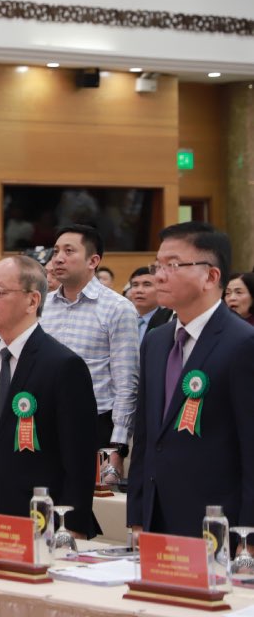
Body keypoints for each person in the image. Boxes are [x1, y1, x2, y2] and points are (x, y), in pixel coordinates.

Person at [128, 223, 254, 537]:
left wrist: (249, 535)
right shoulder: (156, 341)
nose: (159, 275)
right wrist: (138, 513)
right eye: (159, 265)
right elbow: (146, 435)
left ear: (211, 276)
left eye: (173, 265)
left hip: (218, 522)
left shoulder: (243, 343)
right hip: (158, 517)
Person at [0, 256, 100, 537]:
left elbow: (78, 459)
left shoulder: (63, 364)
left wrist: (71, 526)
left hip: (42, 520)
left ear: (32, 301)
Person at [41, 224, 139, 476]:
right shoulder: (43, 305)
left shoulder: (117, 308)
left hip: (94, 424)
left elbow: (126, 382)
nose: (58, 258)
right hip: (41, 419)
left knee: (92, 504)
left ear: (93, 260)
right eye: (55, 251)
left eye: (69, 251)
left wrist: (116, 447)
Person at [129, 266, 174, 341]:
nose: (139, 290)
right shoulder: (123, 318)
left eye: (147, 285)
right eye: (135, 285)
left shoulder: (168, 320)